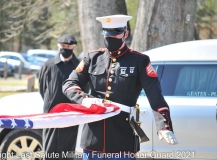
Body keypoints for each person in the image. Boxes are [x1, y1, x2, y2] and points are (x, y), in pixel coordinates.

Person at [62, 15, 178, 160]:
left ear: (125, 34)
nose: (110, 38)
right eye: (106, 33)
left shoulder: (139, 61)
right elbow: (69, 84)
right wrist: (85, 100)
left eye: (115, 33)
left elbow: (155, 95)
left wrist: (164, 125)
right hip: (93, 140)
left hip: (122, 140)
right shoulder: (93, 58)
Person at [38, 34, 80, 160]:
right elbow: (42, 88)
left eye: (68, 46)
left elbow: (84, 88)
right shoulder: (48, 65)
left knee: (68, 148)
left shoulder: (79, 66)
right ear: (58, 46)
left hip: (71, 113)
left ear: (74, 47)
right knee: (50, 148)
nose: (65, 48)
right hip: (52, 112)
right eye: (63, 46)